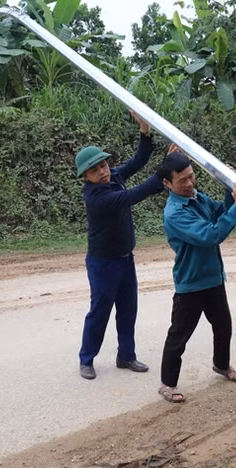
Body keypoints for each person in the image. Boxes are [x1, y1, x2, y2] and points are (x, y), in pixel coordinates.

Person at [76, 112, 170, 380]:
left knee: (128, 309)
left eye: (103, 165)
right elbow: (133, 195)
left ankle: (126, 356)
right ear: (85, 176)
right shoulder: (96, 197)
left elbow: (139, 160)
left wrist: (144, 129)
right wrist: (166, 169)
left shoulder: (113, 176)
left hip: (125, 258)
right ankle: (87, 359)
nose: (103, 172)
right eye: (95, 170)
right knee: (100, 312)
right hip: (103, 263)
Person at [156, 153, 236, 403]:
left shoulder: (197, 198)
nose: (189, 184)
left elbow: (220, 212)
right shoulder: (174, 214)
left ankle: (221, 365)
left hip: (213, 278)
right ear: (168, 184)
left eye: (191, 177)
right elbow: (212, 234)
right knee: (179, 335)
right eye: (182, 181)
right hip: (191, 284)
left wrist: (226, 186)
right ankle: (167, 384)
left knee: (223, 327)